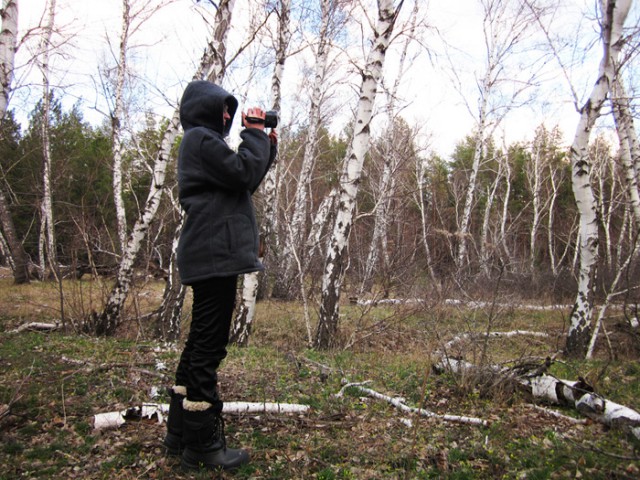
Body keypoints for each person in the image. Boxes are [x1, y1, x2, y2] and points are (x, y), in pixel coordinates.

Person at [163, 80, 277, 471]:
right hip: (214, 254)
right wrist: (254, 134)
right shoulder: (199, 139)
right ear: (204, 109)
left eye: (231, 110)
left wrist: (266, 143)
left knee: (199, 345)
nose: (228, 115)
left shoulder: (202, 144)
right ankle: (203, 447)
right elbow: (244, 173)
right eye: (223, 109)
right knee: (208, 349)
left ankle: (180, 435)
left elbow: (244, 178)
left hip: (211, 253)